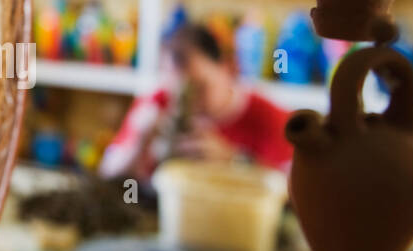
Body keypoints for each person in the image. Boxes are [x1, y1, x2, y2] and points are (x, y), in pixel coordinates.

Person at [99, 22, 293, 183]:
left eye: (200, 88)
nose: (190, 104)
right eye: (177, 92)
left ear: (227, 69)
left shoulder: (267, 117)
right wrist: (139, 144)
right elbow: (106, 173)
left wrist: (235, 161)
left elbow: (297, 188)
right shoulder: (157, 102)